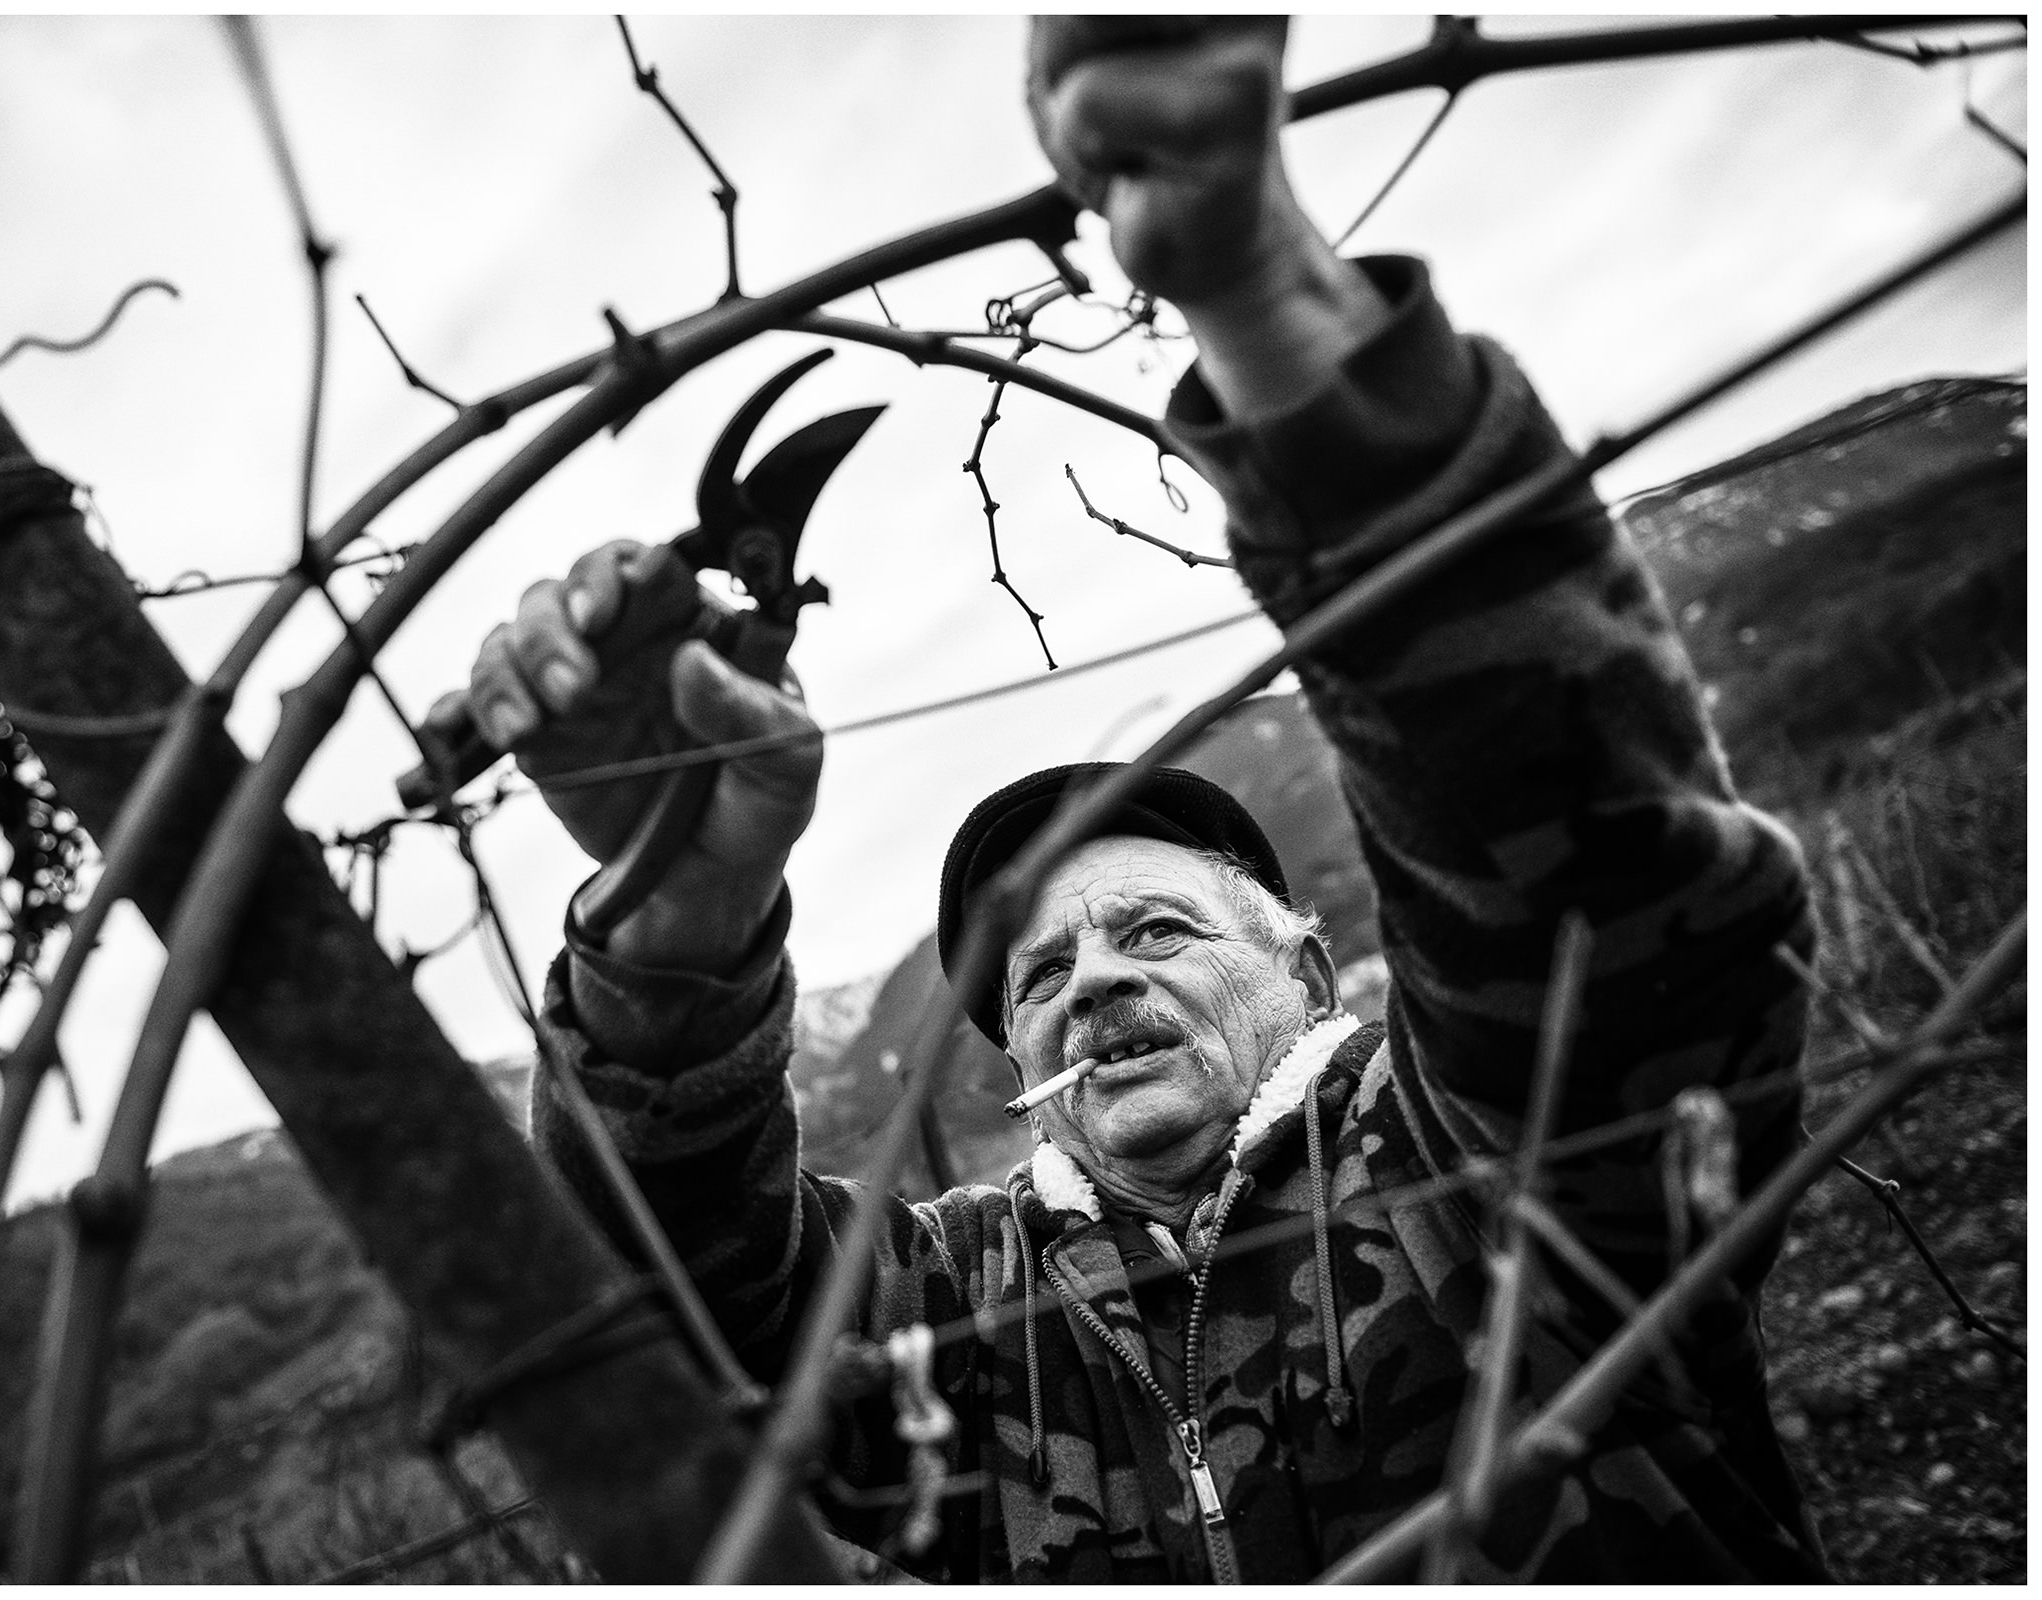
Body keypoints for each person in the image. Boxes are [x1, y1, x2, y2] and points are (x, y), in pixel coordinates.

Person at [427, 16, 1826, 1583]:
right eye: (1037, 976)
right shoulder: (960, 1313)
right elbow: (669, 1308)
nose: (1091, 981)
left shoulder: (1465, 1154)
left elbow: (1589, 880)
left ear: (1307, 970)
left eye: (1154, 928)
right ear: (1018, 1065)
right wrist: (678, 916)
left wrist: (1267, 303)